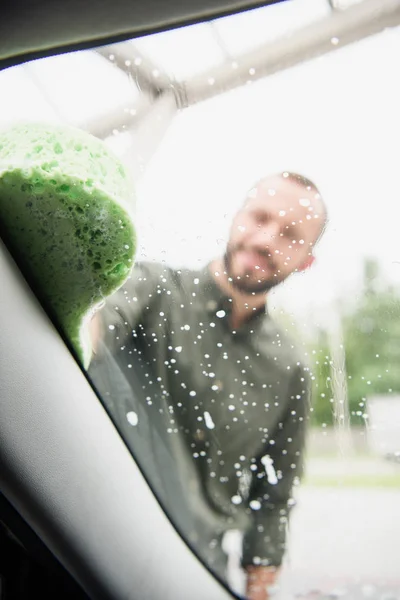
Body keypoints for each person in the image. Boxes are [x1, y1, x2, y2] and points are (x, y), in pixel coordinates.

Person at [90, 171, 327, 600]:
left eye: (291, 235)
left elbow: (274, 493)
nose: (266, 240)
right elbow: (90, 327)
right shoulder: (152, 287)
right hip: (89, 538)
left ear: (306, 259)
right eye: (260, 218)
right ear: (237, 217)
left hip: (198, 571)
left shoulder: (290, 368)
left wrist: (258, 590)